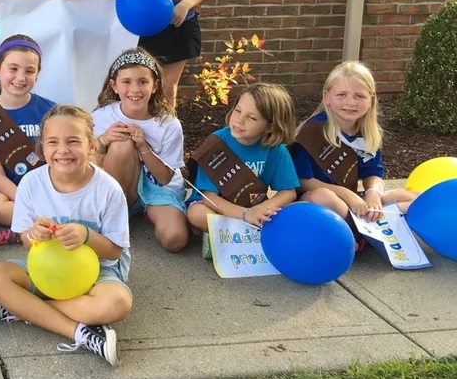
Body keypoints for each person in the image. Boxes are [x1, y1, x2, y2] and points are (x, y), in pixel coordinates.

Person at [0, 105, 132, 367]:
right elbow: (26, 239)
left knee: (117, 304)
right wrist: (34, 234)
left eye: (73, 141)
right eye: (53, 142)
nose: (63, 150)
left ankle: (20, 307)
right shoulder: (31, 183)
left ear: (91, 145)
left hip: (97, 273)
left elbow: (115, 251)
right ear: (42, 148)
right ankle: (79, 331)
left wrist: (86, 235)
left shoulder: (107, 189)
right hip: (46, 271)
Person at [292, 61, 418, 230]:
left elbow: (373, 173)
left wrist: (373, 193)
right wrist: (346, 194)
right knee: (325, 197)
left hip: (353, 201)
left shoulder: (367, 134)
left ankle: (368, 224)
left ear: (371, 100)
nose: (350, 102)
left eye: (359, 96)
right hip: (317, 201)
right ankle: (368, 228)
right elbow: (301, 180)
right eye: (341, 95)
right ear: (327, 96)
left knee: (411, 197)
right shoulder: (311, 131)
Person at [186, 83, 300, 259]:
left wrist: (263, 208)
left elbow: (289, 192)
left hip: (254, 205)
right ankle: (241, 236)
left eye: (252, 118)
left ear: (270, 126)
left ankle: (225, 237)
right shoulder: (217, 144)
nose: (239, 120)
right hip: (214, 206)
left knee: (294, 213)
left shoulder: (275, 150)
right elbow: (207, 196)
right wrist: (245, 215)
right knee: (197, 215)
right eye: (238, 111)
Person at [94, 49, 189, 252]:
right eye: (126, 82)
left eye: (142, 82)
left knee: (175, 239)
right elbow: (89, 165)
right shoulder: (101, 117)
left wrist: (144, 146)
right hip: (120, 184)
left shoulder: (168, 124)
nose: (134, 89)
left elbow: (164, 178)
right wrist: (103, 140)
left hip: (158, 188)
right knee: (121, 144)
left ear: (154, 86)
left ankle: (146, 209)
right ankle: (116, 213)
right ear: (114, 85)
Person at [0, 35, 55, 246]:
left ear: (38, 73)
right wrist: (28, 201)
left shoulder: (51, 110)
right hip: (8, 194)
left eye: (29, 71)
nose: (20, 77)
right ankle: (37, 230)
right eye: (13, 68)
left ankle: (19, 232)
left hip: (48, 188)